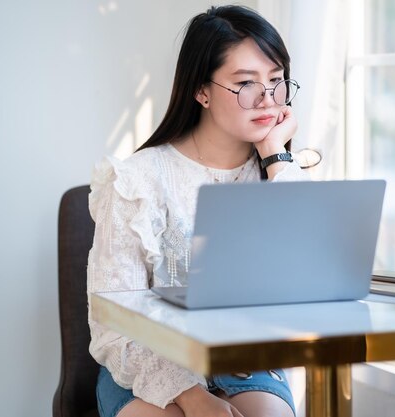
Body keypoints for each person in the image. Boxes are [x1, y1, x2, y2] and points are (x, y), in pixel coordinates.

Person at [87, 5, 308, 417]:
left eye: (276, 81)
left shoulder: (280, 172)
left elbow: (312, 278)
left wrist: (276, 154)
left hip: (245, 366)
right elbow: (112, 321)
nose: (267, 99)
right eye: (245, 83)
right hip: (147, 365)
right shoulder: (136, 180)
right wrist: (192, 396)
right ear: (201, 91)